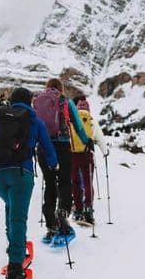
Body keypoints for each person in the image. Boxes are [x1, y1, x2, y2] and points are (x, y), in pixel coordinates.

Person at [0, 87, 58, 279]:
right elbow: (47, 147)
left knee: (11, 209)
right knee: (18, 218)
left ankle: (17, 247)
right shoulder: (34, 120)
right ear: (30, 102)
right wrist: (54, 165)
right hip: (21, 174)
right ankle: (15, 269)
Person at [33, 78, 92, 245]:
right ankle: (63, 218)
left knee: (50, 183)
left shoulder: (37, 100)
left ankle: (50, 225)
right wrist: (86, 141)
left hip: (43, 148)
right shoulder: (65, 101)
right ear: (60, 88)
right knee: (64, 181)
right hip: (62, 146)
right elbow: (78, 125)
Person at [70, 96, 108, 226]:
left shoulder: (72, 119)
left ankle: (78, 210)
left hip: (73, 155)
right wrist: (105, 152)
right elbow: (100, 138)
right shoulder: (91, 120)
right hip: (87, 155)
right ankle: (88, 209)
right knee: (87, 182)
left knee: (75, 182)